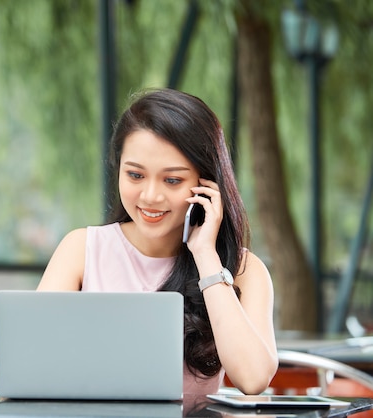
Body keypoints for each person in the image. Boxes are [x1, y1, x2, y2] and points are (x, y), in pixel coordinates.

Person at [37, 88, 278, 395]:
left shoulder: (244, 269)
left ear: (206, 184)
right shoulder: (80, 250)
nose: (151, 196)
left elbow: (253, 378)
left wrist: (205, 255)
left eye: (172, 180)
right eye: (135, 175)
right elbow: (34, 364)